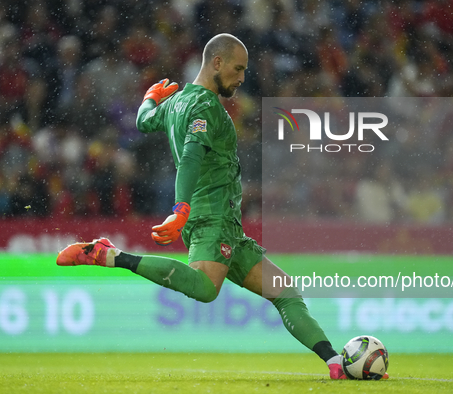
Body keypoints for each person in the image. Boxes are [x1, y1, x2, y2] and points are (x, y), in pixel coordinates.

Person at [56, 33, 372, 380]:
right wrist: (181, 209)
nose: (241, 78)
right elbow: (191, 156)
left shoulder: (175, 103)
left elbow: (143, 121)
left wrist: (149, 98)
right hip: (210, 217)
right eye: (238, 69)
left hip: (227, 226)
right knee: (206, 288)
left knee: (285, 293)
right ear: (216, 63)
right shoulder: (206, 108)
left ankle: (333, 362)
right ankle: (111, 255)